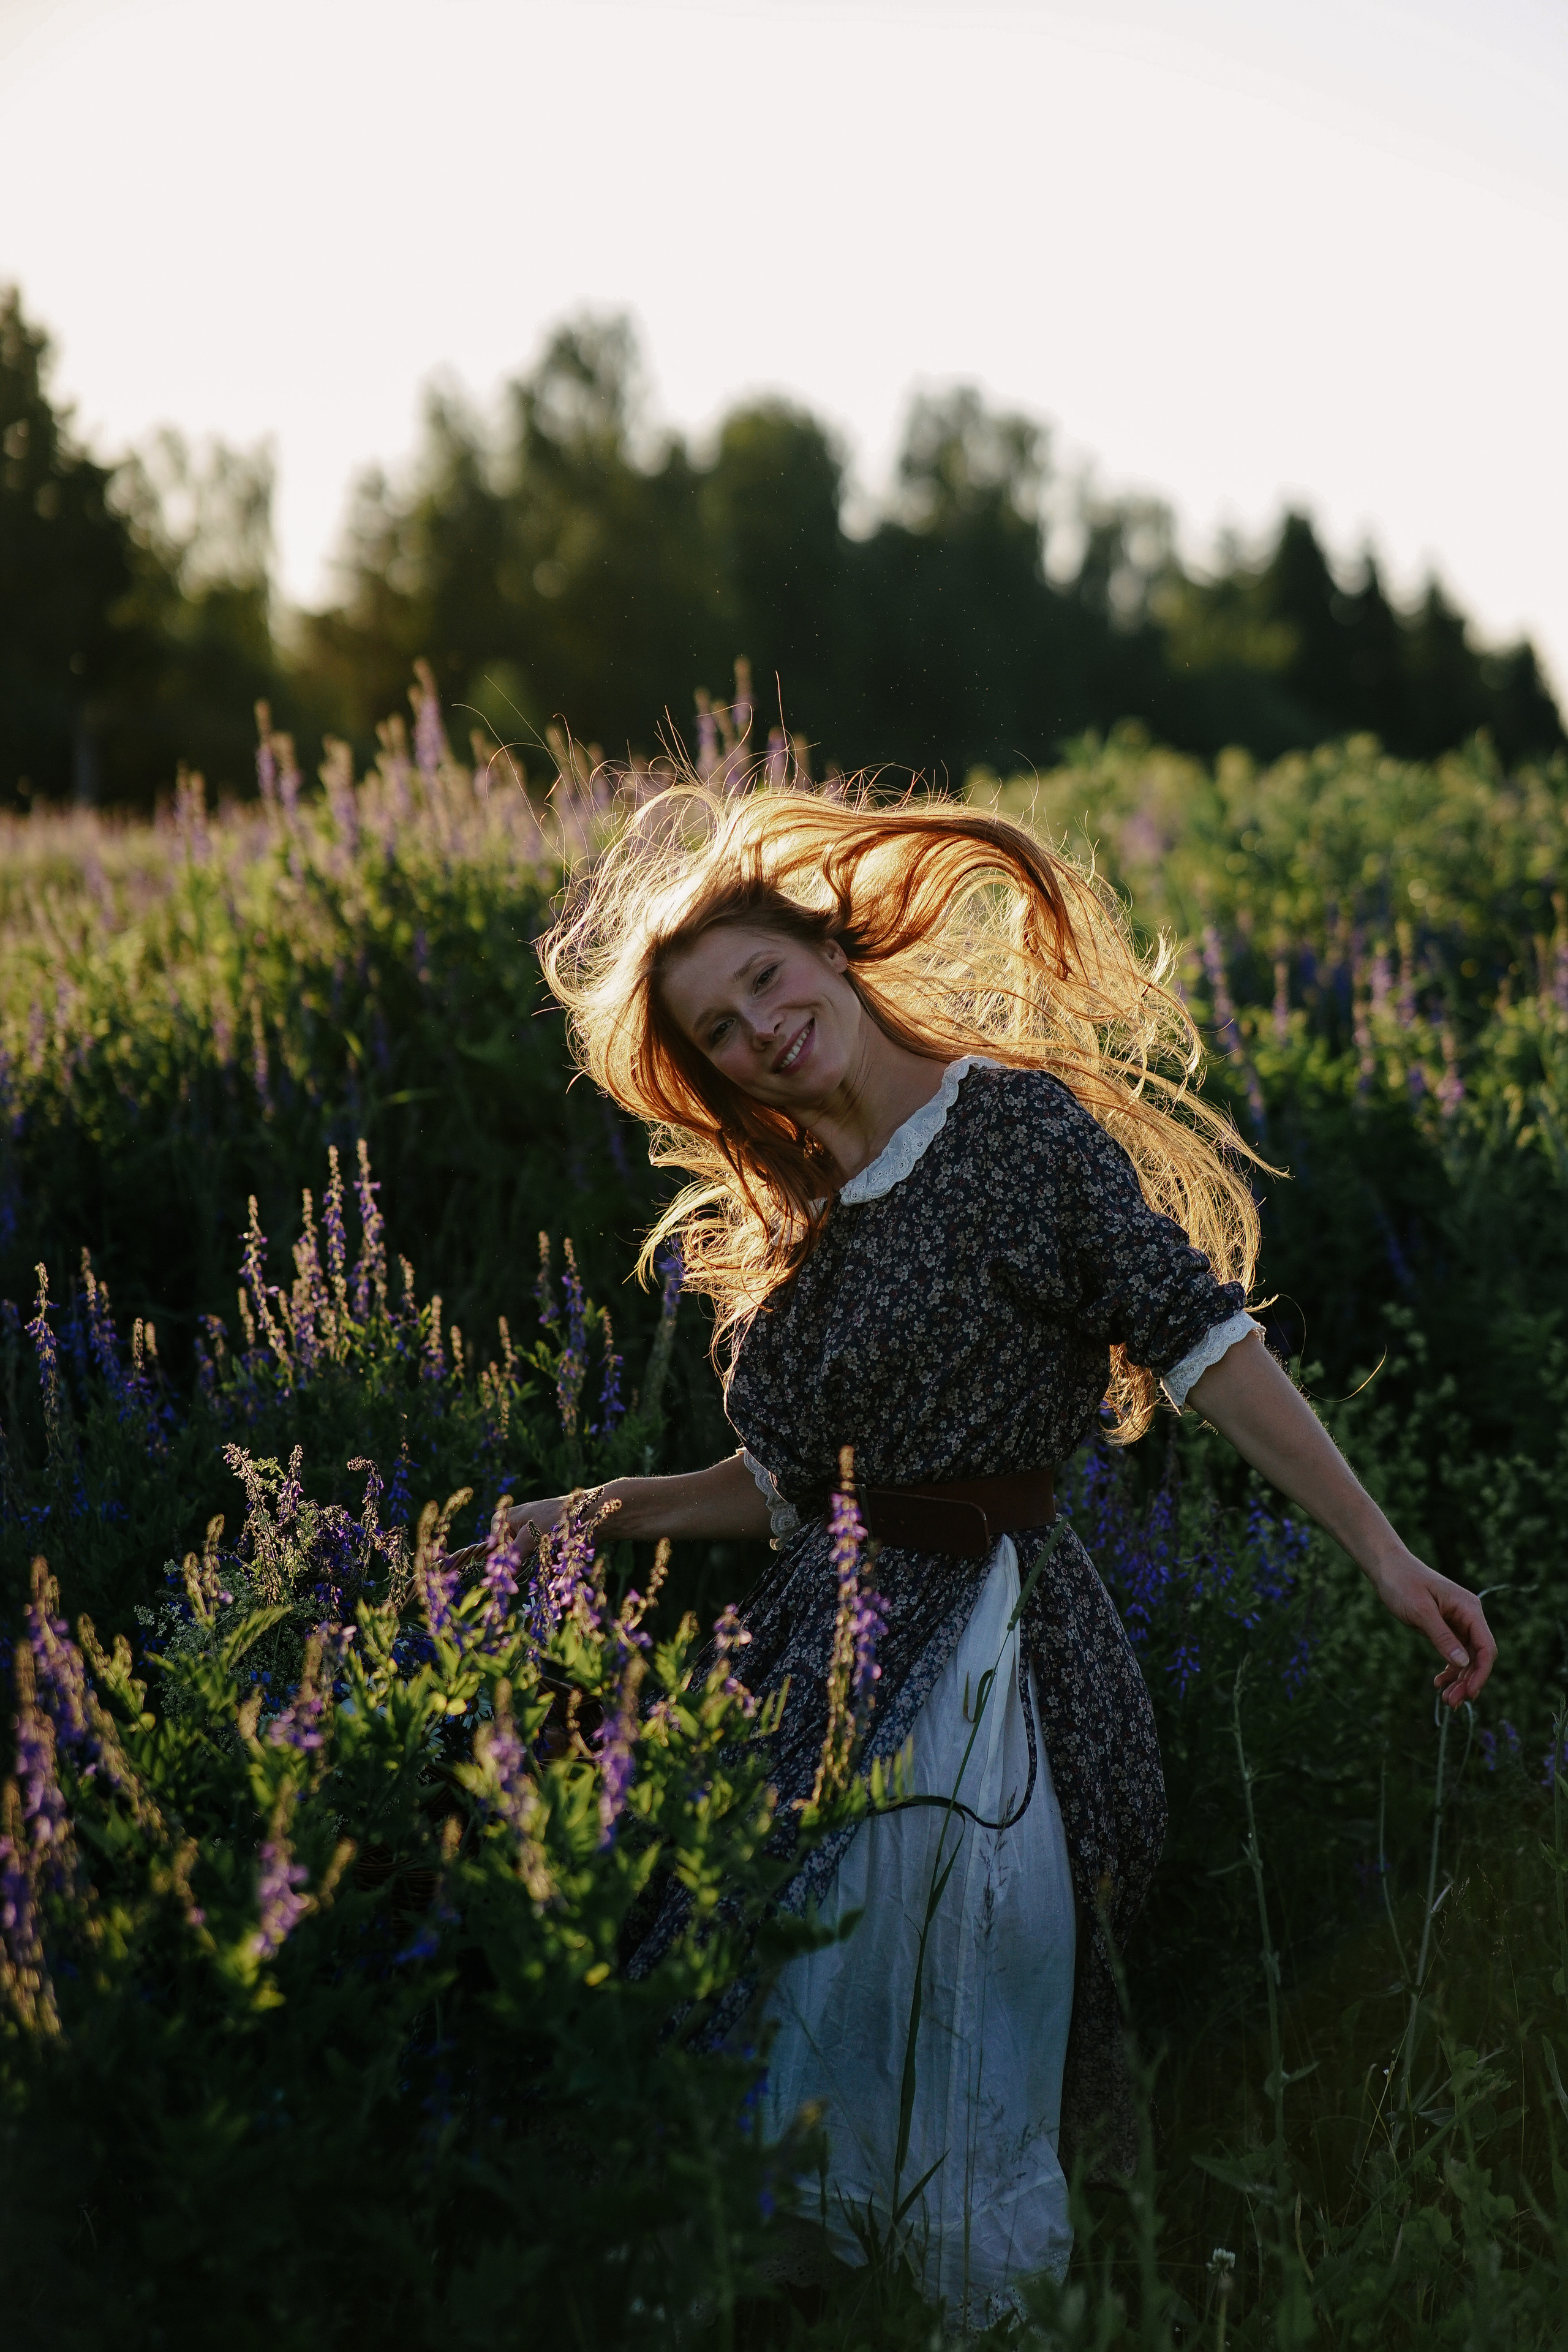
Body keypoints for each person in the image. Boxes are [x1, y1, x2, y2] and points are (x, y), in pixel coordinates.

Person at [503, 780, 1495, 2320]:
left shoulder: (1014, 1131)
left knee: (968, 2045)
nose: (759, 1025)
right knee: (788, 2067)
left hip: (993, 1662)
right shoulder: (792, 1227)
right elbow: (788, 1487)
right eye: (717, 1027)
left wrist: (1380, 1553)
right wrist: (603, 1512)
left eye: (765, 978)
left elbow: (1201, 1341)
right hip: (815, 1674)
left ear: (830, 953)